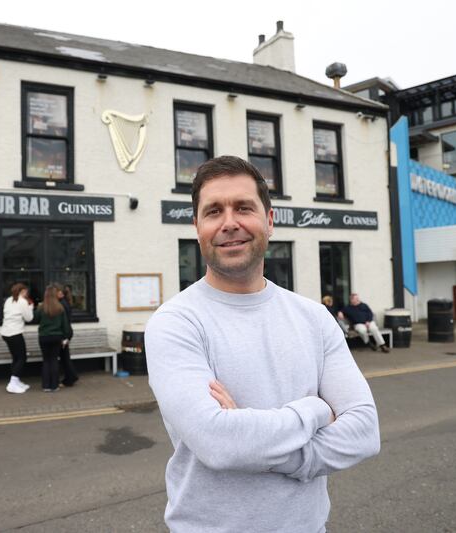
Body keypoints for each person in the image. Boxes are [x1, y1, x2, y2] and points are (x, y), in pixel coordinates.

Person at [145, 155, 380, 533]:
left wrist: (259, 445)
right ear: (197, 227)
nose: (229, 223)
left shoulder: (314, 317)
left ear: (269, 220)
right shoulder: (176, 323)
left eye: (243, 208)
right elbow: (219, 443)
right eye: (213, 211)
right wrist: (317, 410)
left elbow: (365, 432)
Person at [34, 285, 73, 392]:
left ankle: (46, 386)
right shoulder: (60, 307)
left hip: (44, 337)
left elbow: (35, 319)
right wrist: (66, 337)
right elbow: (65, 325)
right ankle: (54, 386)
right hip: (56, 337)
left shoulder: (41, 307)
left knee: (46, 361)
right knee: (54, 360)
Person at [0, 283, 34, 394]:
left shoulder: (8, 300)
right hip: (15, 333)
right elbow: (29, 318)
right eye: (26, 292)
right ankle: (13, 383)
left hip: (5, 333)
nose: (27, 294)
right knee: (22, 358)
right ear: (22, 291)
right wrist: (31, 307)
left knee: (15, 357)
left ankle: (16, 380)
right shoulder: (23, 302)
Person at [56, 284, 79, 387]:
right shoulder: (64, 302)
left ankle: (70, 379)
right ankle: (71, 377)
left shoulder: (62, 304)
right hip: (66, 333)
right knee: (65, 357)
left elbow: (64, 322)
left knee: (65, 357)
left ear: (60, 293)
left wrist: (64, 337)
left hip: (64, 333)